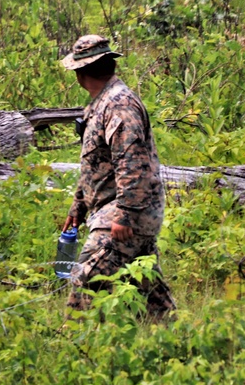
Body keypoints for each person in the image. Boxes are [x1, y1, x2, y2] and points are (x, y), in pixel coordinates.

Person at [59, 35, 175, 320]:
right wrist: (79, 204)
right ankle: (176, 343)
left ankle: (73, 347)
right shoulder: (101, 103)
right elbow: (97, 164)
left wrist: (124, 214)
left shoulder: (119, 105)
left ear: (80, 72)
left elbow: (133, 163)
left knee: (85, 281)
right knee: (148, 294)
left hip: (124, 212)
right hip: (119, 209)